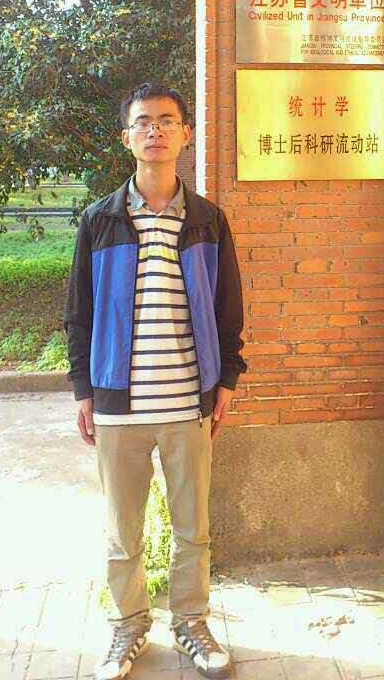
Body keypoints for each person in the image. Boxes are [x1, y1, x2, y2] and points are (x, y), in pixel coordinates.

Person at [65, 82, 246, 680]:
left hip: (187, 401)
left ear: (185, 134)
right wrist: (84, 391)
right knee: (123, 531)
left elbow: (227, 307)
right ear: (127, 137)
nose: (155, 130)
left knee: (193, 528)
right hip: (119, 405)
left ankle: (191, 622)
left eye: (167, 121)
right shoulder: (100, 220)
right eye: (143, 122)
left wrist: (226, 380)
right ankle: (127, 624)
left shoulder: (207, 220)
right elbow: (79, 313)